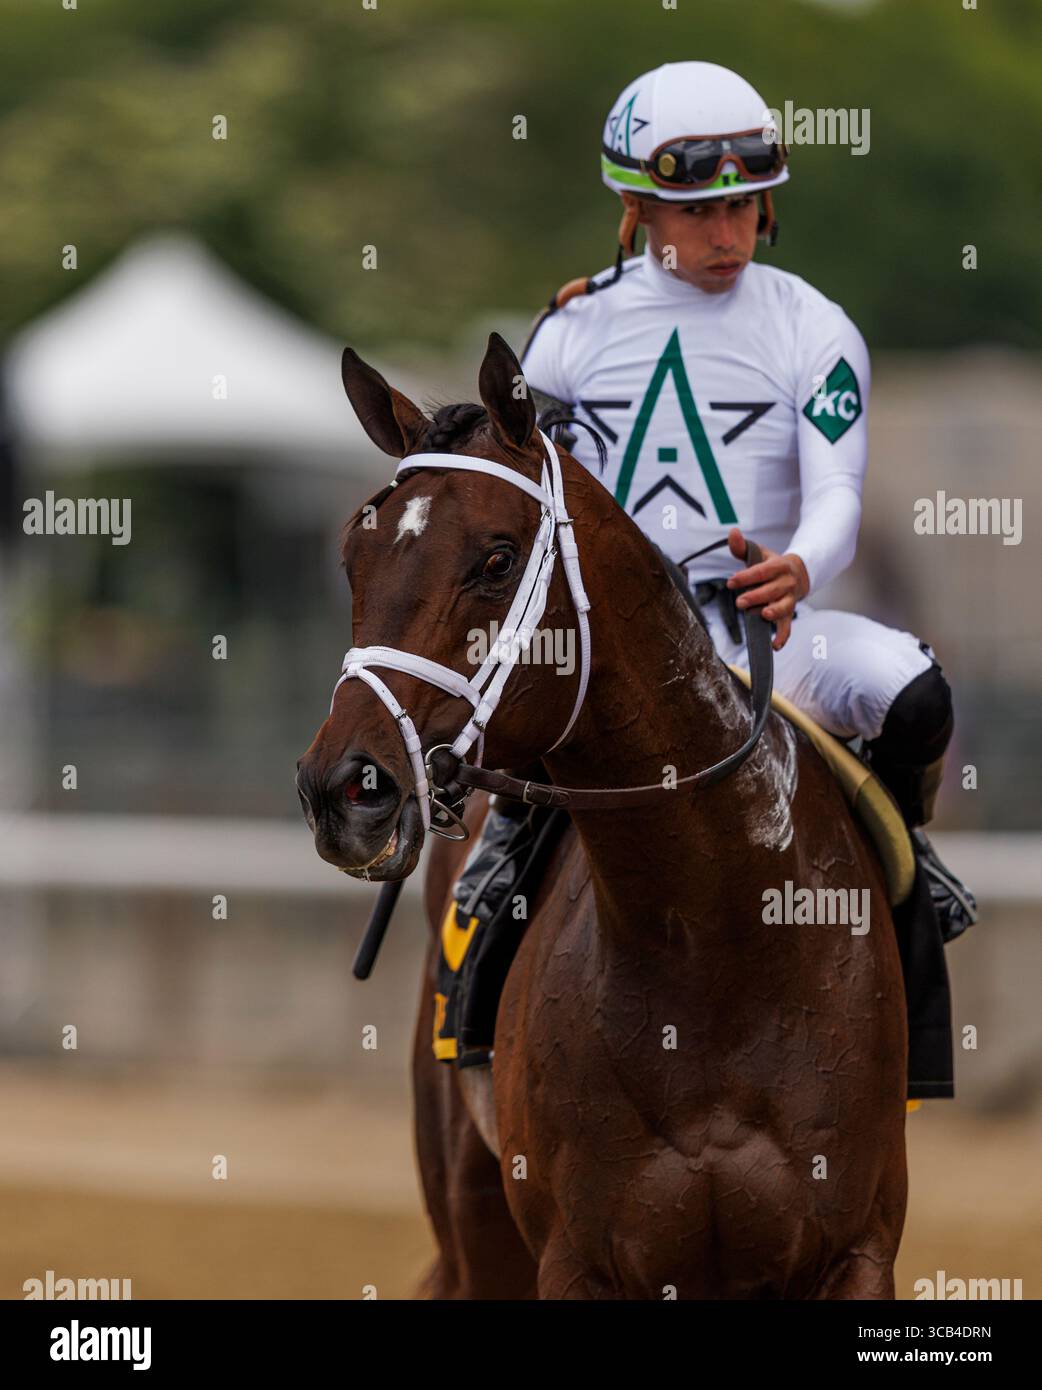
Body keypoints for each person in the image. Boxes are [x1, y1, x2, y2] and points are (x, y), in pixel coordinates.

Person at [440, 60, 975, 1066]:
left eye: (743, 206)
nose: (725, 235)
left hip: (764, 626)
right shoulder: (568, 332)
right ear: (637, 207)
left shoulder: (814, 329)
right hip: (610, 644)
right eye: (696, 212)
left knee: (912, 696)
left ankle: (903, 851)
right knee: (501, 724)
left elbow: (838, 500)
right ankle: (493, 907)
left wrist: (799, 568)